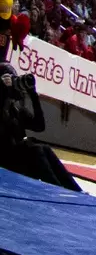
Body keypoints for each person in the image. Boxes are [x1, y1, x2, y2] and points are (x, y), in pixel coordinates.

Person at [0, 62, 79, 190]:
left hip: (18, 159)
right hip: (4, 160)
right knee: (34, 149)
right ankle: (56, 189)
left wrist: (33, 95)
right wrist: (3, 92)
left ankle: (75, 190)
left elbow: (39, 126)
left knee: (44, 148)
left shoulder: (16, 109)